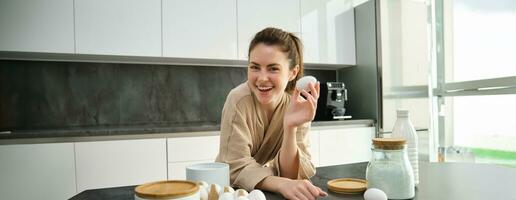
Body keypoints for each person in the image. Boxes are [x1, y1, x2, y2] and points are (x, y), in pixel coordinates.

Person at [215, 27, 327, 200]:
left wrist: (290, 127)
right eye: (255, 67)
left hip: (262, 191)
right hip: (230, 191)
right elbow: (234, 165)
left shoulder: (297, 106)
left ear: (293, 73)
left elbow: (292, 174)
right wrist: (280, 183)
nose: (262, 78)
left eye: (273, 68)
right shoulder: (238, 100)